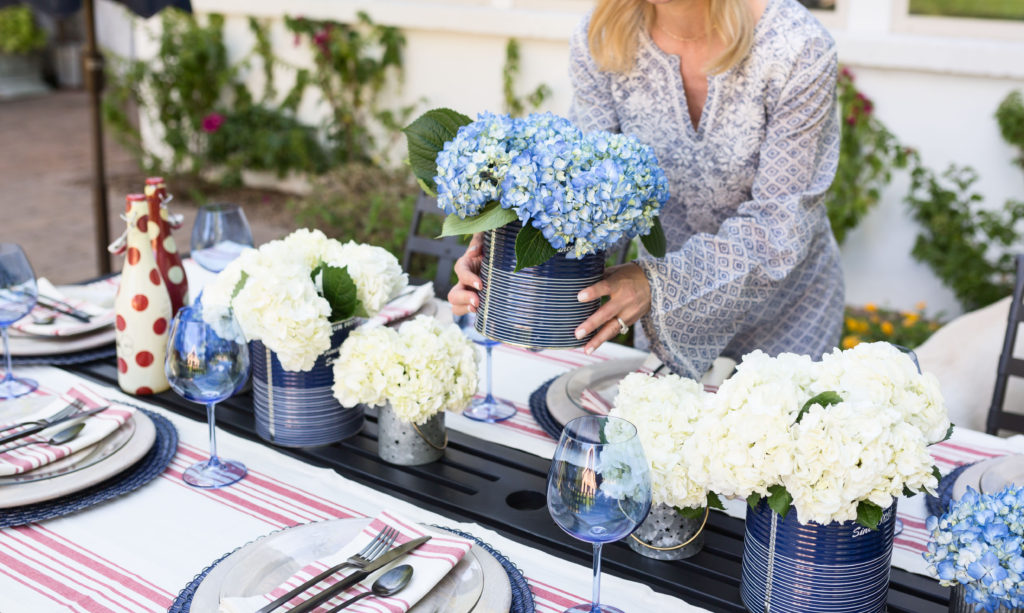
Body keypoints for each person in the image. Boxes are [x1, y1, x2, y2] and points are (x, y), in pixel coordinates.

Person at [449, 0, 844, 380]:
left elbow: (778, 227)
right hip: (661, 314)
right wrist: (498, 252)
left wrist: (656, 284)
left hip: (786, 318)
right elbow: (574, 190)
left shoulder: (797, 47)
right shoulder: (602, 36)